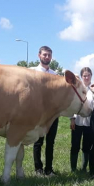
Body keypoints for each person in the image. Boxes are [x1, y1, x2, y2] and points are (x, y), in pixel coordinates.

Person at [31, 46, 59, 176]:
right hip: (39, 113)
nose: (47, 57)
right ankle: (38, 169)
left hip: (53, 114)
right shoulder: (32, 72)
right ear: (39, 55)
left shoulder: (55, 75)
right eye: (45, 55)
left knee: (50, 142)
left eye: (49, 55)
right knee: (38, 141)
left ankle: (49, 169)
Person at [70, 67, 93, 172]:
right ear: (82, 76)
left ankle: (84, 167)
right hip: (78, 121)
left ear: (91, 76)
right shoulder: (78, 88)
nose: (86, 77)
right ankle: (73, 168)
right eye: (84, 75)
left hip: (89, 122)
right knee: (75, 145)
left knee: (87, 146)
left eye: (88, 75)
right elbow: (73, 104)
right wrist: (72, 119)